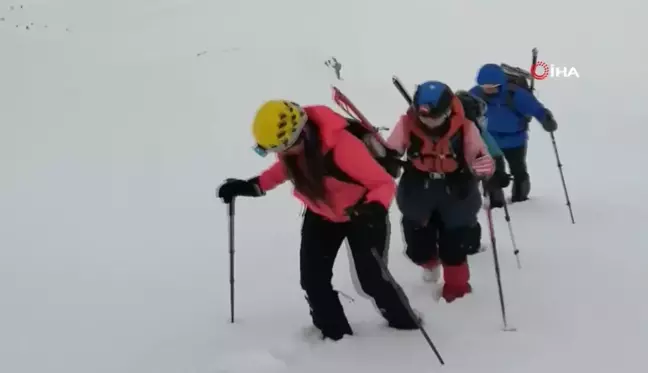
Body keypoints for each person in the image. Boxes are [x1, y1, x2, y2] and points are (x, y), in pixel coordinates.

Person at [217, 100, 419, 341]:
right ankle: (335, 336)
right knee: (313, 280)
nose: (279, 153)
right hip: (322, 214)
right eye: (273, 150)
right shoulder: (293, 150)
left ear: (299, 134)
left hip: (362, 215)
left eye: (281, 147)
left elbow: (383, 183)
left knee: (372, 279)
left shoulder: (342, 148)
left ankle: (406, 324)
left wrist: (373, 210)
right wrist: (251, 186)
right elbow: (283, 170)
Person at [386, 81, 495, 303]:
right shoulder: (407, 123)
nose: (429, 122)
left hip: (456, 190)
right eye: (424, 116)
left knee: (455, 243)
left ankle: (457, 290)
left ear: (447, 111)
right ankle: (428, 261)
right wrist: (386, 158)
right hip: (418, 188)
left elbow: (479, 154)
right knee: (417, 241)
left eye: (434, 117)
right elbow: (393, 149)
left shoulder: (464, 127)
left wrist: (484, 167)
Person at [469, 63, 558, 207]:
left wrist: (546, 119)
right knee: (494, 172)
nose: (488, 89)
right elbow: (463, 110)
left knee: (518, 169)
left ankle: (520, 199)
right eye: (485, 86)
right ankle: (496, 202)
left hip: (515, 139)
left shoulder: (516, 94)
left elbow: (536, 108)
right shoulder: (475, 94)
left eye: (492, 86)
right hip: (490, 141)